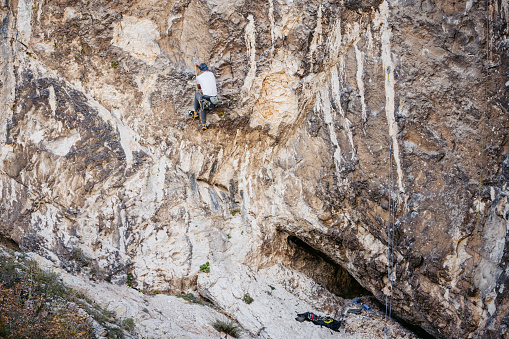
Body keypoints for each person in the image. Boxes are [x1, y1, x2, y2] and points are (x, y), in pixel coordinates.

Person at [189, 61, 217, 131]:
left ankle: (196, 113)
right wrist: (200, 65)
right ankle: (203, 124)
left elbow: (199, 88)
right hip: (214, 101)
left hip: (206, 101)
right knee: (203, 103)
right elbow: (205, 70)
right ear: (207, 69)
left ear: (200, 71)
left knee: (198, 96)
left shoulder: (199, 77)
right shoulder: (211, 74)